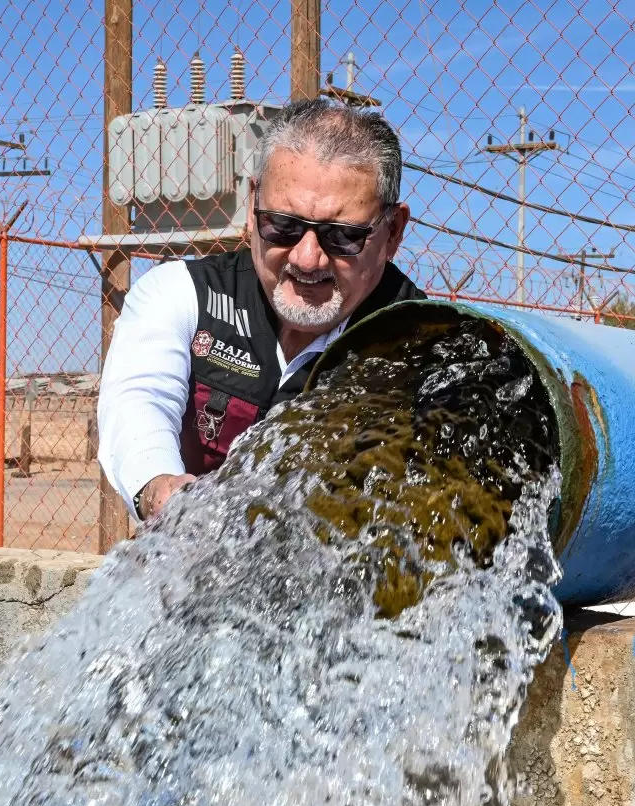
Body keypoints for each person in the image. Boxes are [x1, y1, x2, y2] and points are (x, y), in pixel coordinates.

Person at [98, 97, 425, 521]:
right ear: (253, 208)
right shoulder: (182, 295)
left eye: (341, 236)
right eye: (283, 226)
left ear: (392, 231)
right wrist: (160, 488)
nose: (307, 259)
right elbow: (138, 400)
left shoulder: (421, 346)